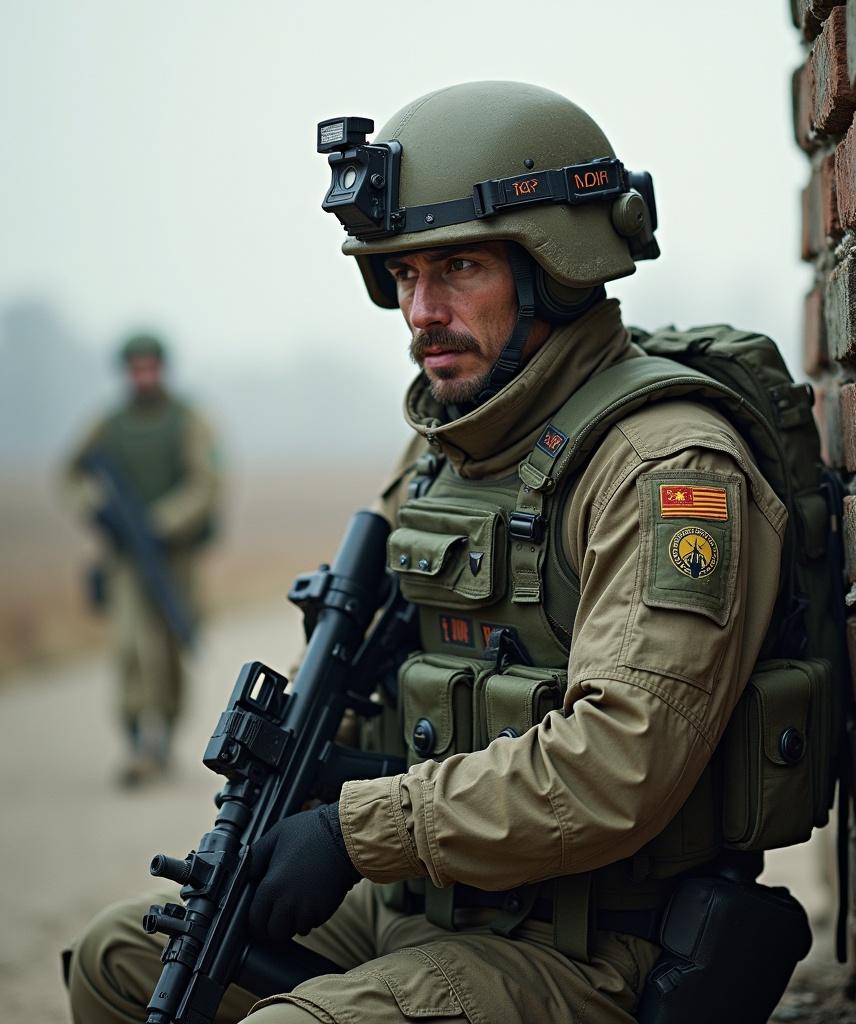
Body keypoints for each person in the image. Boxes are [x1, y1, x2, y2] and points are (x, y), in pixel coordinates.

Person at [67, 83, 796, 1023]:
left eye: (457, 268)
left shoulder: (664, 466)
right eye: (403, 276)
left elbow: (620, 761)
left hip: (590, 943)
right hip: (424, 900)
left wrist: (352, 830)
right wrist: (311, 782)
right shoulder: (446, 449)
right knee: (117, 961)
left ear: (558, 267)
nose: (422, 311)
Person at [62, 333, 222, 786]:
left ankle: (165, 734)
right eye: (136, 369)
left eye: (150, 367)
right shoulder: (109, 424)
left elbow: (207, 482)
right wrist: (96, 507)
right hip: (127, 560)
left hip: (176, 557)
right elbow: (71, 474)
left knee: (172, 643)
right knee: (130, 645)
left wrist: (163, 521)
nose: (144, 376)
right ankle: (137, 737)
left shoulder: (188, 420)